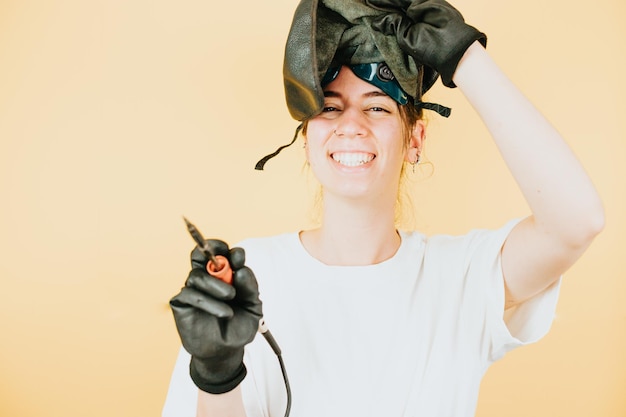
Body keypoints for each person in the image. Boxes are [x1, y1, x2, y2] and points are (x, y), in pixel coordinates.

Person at [162, 0, 605, 416]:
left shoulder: (462, 277)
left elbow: (577, 221)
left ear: (415, 141)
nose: (351, 125)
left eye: (377, 107)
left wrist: (463, 55)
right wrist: (216, 375)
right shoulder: (245, 277)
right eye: (330, 108)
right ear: (307, 141)